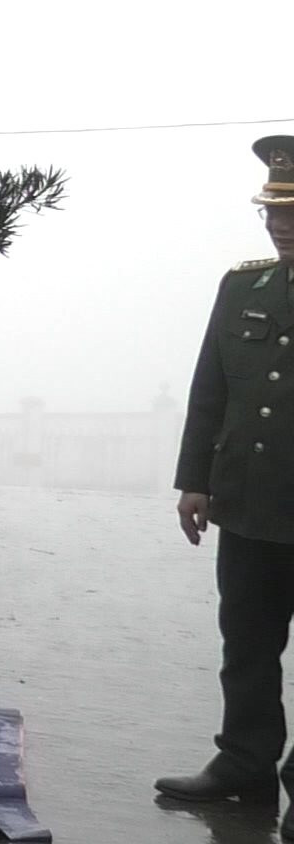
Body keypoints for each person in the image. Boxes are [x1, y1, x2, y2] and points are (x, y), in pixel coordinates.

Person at [155, 135, 294, 842]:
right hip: (248, 504)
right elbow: (211, 390)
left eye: (293, 212)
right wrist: (195, 481)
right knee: (245, 644)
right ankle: (243, 762)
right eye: (273, 210)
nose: (280, 223)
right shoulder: (243, 286)